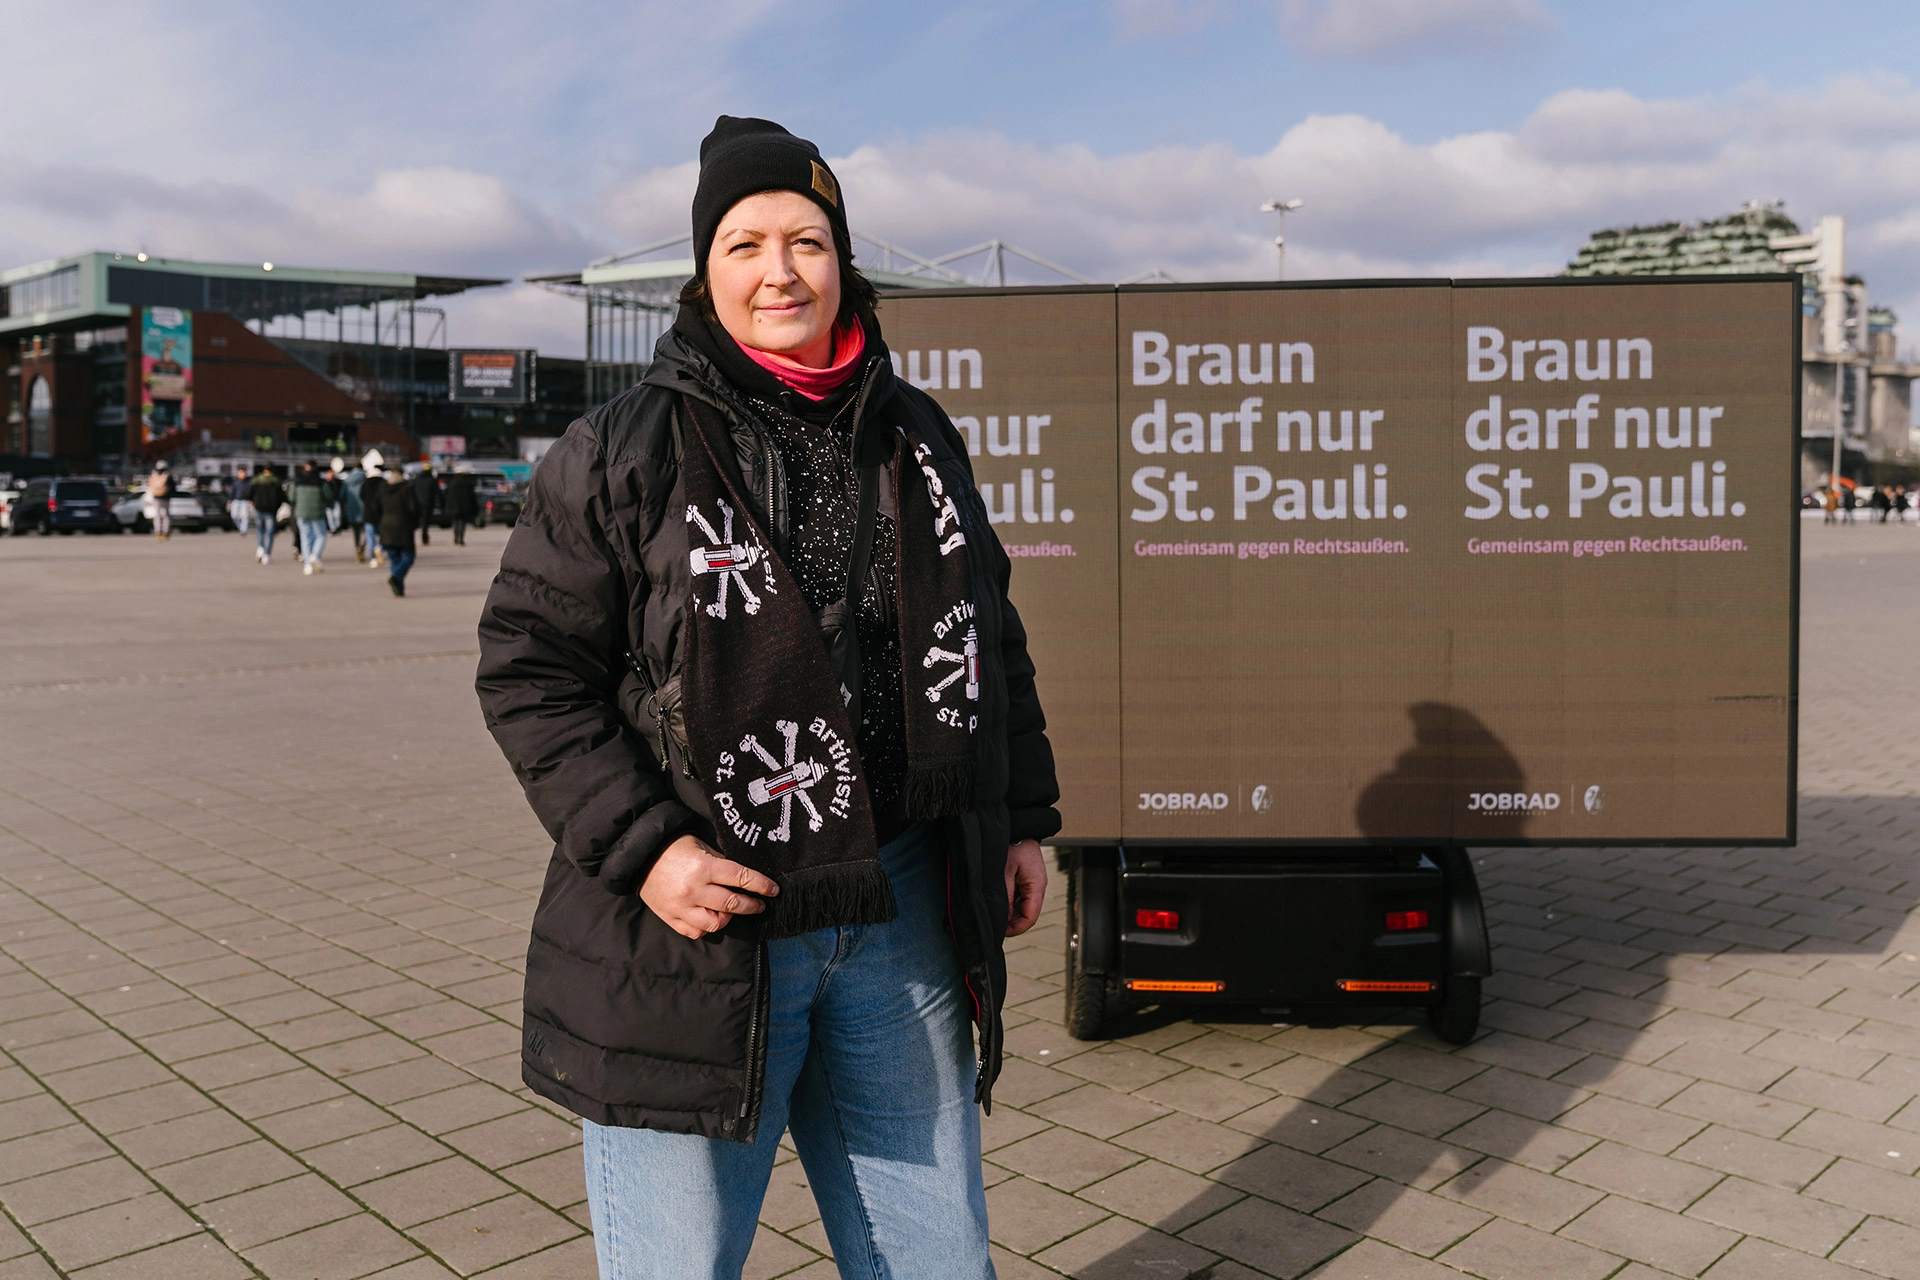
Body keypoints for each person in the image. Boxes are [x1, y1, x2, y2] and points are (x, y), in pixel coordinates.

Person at [474, 116, 1059, 1280]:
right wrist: (647, 849)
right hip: (701, 924)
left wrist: (1023, 818)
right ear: (707, 269)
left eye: (806, 240)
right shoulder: (623, 449)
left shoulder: (915, 434)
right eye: (745, 243)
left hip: (897, 898)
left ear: (844, 262)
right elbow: (529, 669)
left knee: (939, 1257)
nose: (778, 271)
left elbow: (989, 631)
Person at [378, 466, 420, 596]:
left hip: (386, 527)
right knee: (409, 556)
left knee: (394, 558)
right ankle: (396, 578)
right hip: (403, 527)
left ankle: (398, 587)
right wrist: (416, 522)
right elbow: (414, 508)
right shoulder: (407, 489)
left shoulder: (384, 489)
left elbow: (376, 506)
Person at [291, 462, 331, 574]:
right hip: (317, 512)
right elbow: (328, 495)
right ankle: (315, 555)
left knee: (305, 538)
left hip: (301, 513)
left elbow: (291, 497)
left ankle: (307, 565)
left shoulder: (297, 481)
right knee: (321, 535)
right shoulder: (320, 481)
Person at [249, 466, 286, 565]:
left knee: (260, 530)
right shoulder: (276, 481)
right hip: (271, 510)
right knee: (269, 533)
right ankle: (266, 554)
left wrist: (253, 502)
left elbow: (250, 494)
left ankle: (260, 548)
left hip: (259, 508)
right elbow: (281, 497)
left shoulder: (256, 480)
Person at [360, 454, 388, 569]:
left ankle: (372, 558)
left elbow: (361, 496)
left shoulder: (366, 483)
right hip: (382, 514)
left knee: (370, 537)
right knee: (385, 536)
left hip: (368, 514)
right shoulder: (383, 484)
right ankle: (380, 548)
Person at [340, 459, 368, 562]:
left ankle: (357, 548)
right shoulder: (365, 478)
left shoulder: (347, 480)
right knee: (365, 530)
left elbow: (342, 495)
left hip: (352, 508)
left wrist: (343, 505)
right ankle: (362, 546)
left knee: (356, 531)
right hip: (365, 507)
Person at [445, 469, 479, 545]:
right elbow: (472, 497)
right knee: (462, 523)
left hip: (454, 507)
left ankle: (456, 537)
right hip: (465, 507)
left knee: (455, 522)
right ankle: (461, 538)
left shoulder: (452, 484)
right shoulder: (468, 484)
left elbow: (447, 496)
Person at [410, 463, 439, 545]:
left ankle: (415, 537)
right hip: (428, 504)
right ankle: (424, 537)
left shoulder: (417, 478)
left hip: (417, 503)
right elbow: (437, 492)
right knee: (425, 521)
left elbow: (411, 489)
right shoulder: (432, 480)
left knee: (416, 521)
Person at [146, 460, 173, 540]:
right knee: (166, 515)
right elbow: (173, 487)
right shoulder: (167, 475)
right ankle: (165, 532)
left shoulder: (153, 475)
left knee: (157, 515)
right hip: (166, 498)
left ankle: (158, 532)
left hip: (156, 497)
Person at [229, 466, 253, 534]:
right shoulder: (235, 482)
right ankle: (240, 527)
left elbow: (250, 492)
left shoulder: (248, 482)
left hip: (245, 501)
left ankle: (243, 530)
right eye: (240, 473)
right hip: (236, 500)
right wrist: (230, 499)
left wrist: (251, 500)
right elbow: (233, 492)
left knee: (245, 516)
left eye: (243, 473)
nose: (242, 475)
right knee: (234, 515)